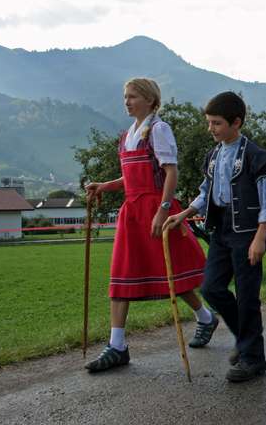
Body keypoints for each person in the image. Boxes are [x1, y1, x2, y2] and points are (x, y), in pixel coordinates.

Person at [84, 78, 215, 372]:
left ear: (149, 99)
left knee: (173, 275)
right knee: (122, 274)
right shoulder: (126, 135)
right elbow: (131, 178)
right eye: (125, 97)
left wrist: (163, 209)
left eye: (132, 97)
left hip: (157, 210)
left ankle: (206, 318)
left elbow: (171, 172)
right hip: (132, 213)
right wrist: (104, 185)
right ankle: (117, 346)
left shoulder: (158, 129)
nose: (126, 101)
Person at [164, 91, 266, 383]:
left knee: (247, 297)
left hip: (249, 232)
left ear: (236, 122)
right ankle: (246, 340)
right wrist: (184, 214)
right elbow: (206, 191)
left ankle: (253, 358)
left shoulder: (256, 156)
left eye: (216, 123)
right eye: (209, 123)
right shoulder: (213, 155)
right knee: (211, 288)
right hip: (221, 230)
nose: (210, 129)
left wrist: (260, 237)